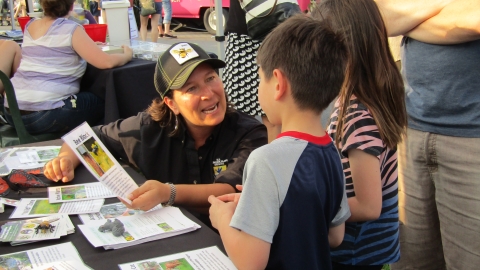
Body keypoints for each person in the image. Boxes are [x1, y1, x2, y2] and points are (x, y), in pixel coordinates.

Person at [43, 42, 268, 226]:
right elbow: (88, 138)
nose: (208, 93)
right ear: (171, 104)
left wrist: (167, 193)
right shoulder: (150, 127)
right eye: (191, 88)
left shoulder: (250, 132)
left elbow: (227, 191)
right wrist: (65, 160)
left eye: (210, 78)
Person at [208, 15, 351, 269]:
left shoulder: (266, 159)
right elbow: (335, 236)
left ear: (278, 83)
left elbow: (250, 262)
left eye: (260, 78)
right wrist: (260, 207)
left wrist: (221, 219)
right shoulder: (332, 151)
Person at [374, 0, 480, 269]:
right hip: (411, 133)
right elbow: (381, 16)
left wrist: (410, 19)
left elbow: (475, 19)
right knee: (412, 261)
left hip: (472, 142)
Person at [311, 0, 407, 268]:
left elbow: (367, 206)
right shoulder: (364, 97)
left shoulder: (356, 116)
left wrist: (312, 206)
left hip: (357, 254)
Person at [0, 0, 133, 135]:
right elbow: (106, 62)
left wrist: (89, 46)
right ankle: (105, 144)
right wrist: (127, 55)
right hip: (45, 115)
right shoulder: (71, 29)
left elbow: (52, 48)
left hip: (13, 113)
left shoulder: (30, 26)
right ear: (71, 5)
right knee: (108, 101)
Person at [222, 0, 280, 142]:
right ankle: (244, 158)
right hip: (246, 37)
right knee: (238, 113)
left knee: (271, 115)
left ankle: (271, 160)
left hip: (269, 35)